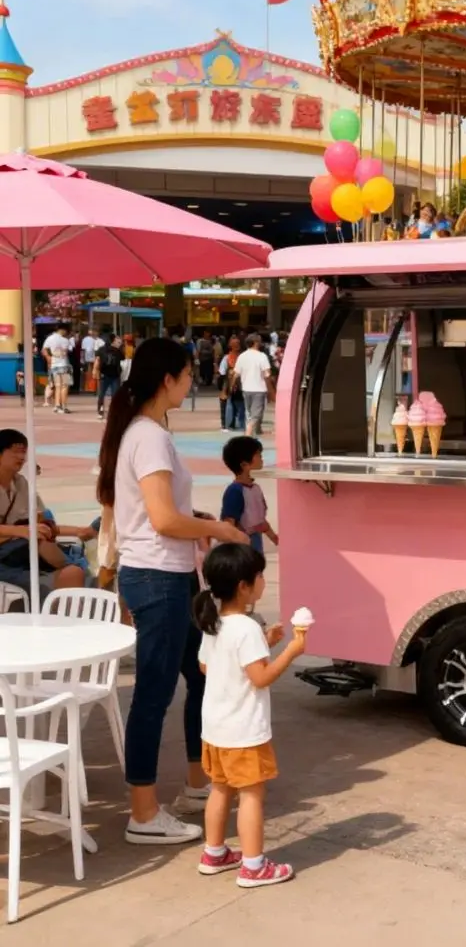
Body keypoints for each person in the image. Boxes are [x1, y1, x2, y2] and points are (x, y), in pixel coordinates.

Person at [97, 337, 247, 846]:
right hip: (157, 577)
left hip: (170, 575)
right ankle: (143, 811)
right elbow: (161, 520)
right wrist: (222, 531)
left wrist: (199, 521)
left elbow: (155, 512)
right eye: (187, 375)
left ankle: (197, 780)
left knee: (199, 676)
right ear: (168, 379)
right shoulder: (149, 436)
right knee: (153, 695)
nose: (192, 382)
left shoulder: (145, 432)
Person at [194, 543, 305, 886]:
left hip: (215, 729)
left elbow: (205, 665)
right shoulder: (246, 627)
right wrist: (291, 650)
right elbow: (261, 678)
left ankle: (214, 853)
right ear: (244, 585)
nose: (262, 580)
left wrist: (264, 643)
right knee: (252, 794)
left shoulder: (217, 623)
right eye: (259, 575)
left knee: (220, 788)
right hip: (243, 731)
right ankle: (254, 866)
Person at [0, 428, 88, 599]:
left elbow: (40, 520)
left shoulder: (21, 484)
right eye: (16, 452)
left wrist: (76, 530)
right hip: (12, 556)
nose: (21, 458)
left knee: (73, 570)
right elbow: (25, 529)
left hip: (21, 552)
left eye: (24, 453)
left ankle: (68, 569)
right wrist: (20, 531)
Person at [221, 437, 277, 556]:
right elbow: (228, 523)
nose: (261, 458)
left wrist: (275, 538)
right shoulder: (234, 491)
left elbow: (260, 521)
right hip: (242, 548)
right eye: (258, 455)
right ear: (244, 464)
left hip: (256, 544)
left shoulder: (255, 489)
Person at [235, 334, 273, 438]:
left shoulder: (242, 356)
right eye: (259, 341)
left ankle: (255, 431)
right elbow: (267, 374)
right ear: (256, 342)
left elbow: (236, 373)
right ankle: (248, 432)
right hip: (259, 388)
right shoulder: (262, 356)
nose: (261, 343)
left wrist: (233, 385)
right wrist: (271, 389)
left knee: (249, 412)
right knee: (256, 413)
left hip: (246, 388)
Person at [42, 321, 75, 414]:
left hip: (54, 365)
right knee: (65, 386)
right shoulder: (65, 340)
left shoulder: (49, 338)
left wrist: (49, 358)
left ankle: (57, 406)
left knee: (57, 386)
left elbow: (44, 350)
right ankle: (64, 406)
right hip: (64, 365)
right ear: (63, 330)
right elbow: (67, 352)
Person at [94, 333, 125, 421]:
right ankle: (113, 412)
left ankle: (100, 411)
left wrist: (95, 370)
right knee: (114, 395)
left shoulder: (101, 349)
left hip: (105, 375)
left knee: (102, 394)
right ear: (112, 340)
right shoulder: (117, 350)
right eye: (115, 340)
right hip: (114, 375)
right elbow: (123, 358)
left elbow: (97, 360)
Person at [218, 335, 245, 433]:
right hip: (229, 385)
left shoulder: (243, 356)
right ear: (230, 345)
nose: (236, 346)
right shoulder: (226, 358)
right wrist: (223, 387)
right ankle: (227, 424)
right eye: (234, 344)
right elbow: (222, 373)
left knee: (239, 405)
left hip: (241, 385)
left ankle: (238, 424)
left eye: (237, 344)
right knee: (227, 404)